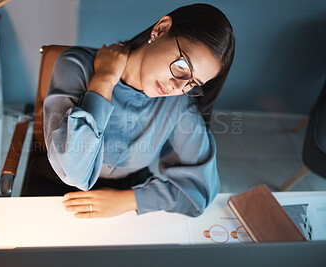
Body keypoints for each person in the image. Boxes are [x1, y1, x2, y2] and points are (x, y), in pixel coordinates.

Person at [43, 3, 235, 218]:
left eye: (193, 83)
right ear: (161, 29)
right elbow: (73, 170)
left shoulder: (179, 105)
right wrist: (103, 81)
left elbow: (199, 191)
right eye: (182, 67)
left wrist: (128, 200)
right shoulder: (76, 65)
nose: (177, 87)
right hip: (57, 186)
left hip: (129, 193)